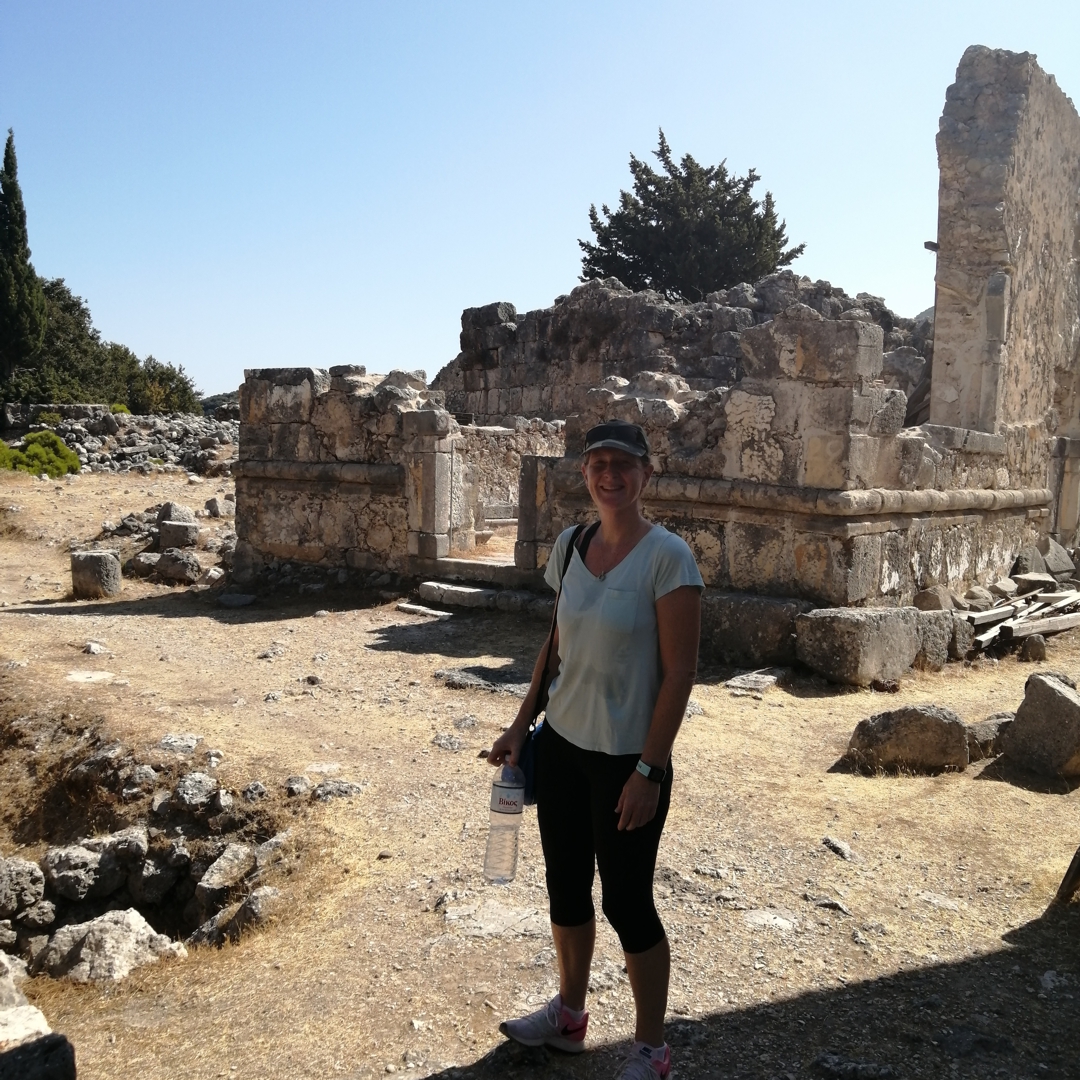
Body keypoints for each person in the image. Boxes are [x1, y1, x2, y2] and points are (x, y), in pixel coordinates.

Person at [488, 419, 703, 1080]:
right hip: (563, 746)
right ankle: (571, 1016)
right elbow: (556, 645)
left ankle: (650, 1048)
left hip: (626, 761)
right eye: (598, 464)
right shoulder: (571, 544)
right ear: (584, 472)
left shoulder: (669, 558)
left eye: (624, 465)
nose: (610, 476)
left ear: (646, 473)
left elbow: (679, 673)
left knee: (628, 901)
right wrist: (521, 725)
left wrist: (649, 768)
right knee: (565, 886)